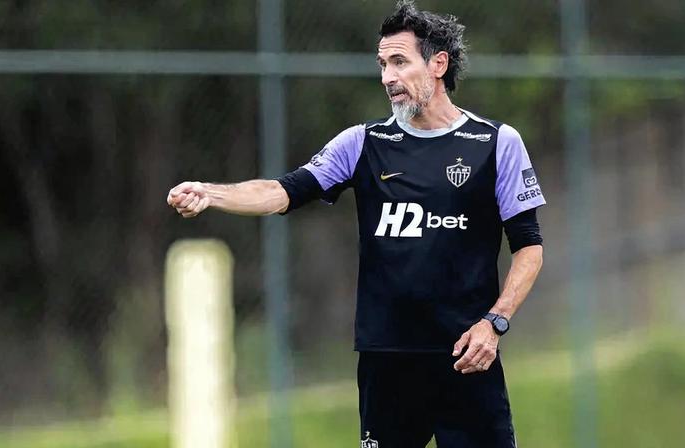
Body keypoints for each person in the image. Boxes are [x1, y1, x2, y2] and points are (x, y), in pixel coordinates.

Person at [167, 1, 545, 446]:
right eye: (383, 64)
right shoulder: (363, 143)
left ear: (438, 64)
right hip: (388, 361)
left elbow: (529, 247)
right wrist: (212, 193)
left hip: (468, 354)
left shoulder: (495, 143)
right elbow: (282, 191)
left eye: (400, 62)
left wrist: (494, 323)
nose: (388, 77)